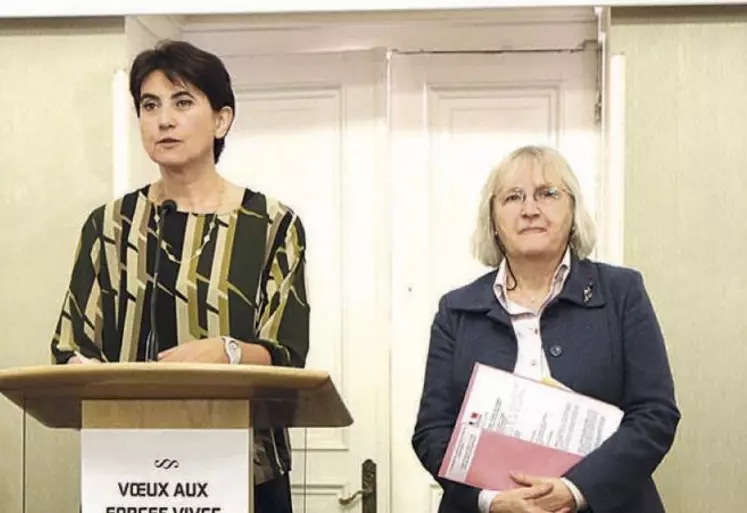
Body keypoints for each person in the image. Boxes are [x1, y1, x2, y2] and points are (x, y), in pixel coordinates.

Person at [50, 40, 308, 513]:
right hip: (130, 473)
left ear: (221, 119)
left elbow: (287, 353)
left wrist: (228, 352)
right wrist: (84, 372)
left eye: (182, 101)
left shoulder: (271, 224)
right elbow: (70, 346)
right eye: (150, 106)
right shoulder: (109, 225)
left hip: (246, 471)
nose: (164, 119)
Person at [412, 145, 680, 513]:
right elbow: (432, 432)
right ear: (492, 219)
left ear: (573, 212)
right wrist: (491, 501)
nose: (529, 209)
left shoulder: (622, 293)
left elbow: (655, 414)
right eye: (512, 197)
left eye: (547, 193)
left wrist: (575, 490)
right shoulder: (455, 310)